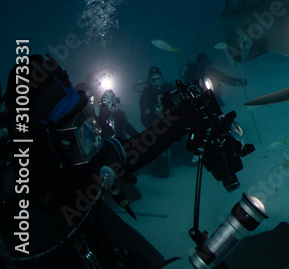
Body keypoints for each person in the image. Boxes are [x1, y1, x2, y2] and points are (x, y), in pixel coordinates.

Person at [0, 54, 246, 268]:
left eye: (88, 120)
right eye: (74, 133)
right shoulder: (27, 221)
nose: (92, 141)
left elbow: (134, 148)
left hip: (94, 225)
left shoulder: (72, 161)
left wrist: (185, 112)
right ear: (40, 143)